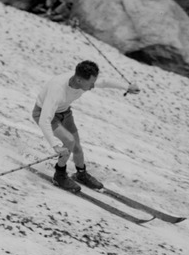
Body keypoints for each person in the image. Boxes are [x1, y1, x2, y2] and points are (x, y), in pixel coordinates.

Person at [31, 60, 140, 192]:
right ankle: (59, 175)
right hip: (43, 113)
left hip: (64, 111)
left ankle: (81, 174)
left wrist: (127, 87)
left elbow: (104, 82)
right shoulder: (57, 89)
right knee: (69, 141)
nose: (93, 86)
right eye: (91, 83)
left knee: (76, 146)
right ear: (79, 80)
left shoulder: (82, 79)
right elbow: (44, 120)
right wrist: (55, 146)